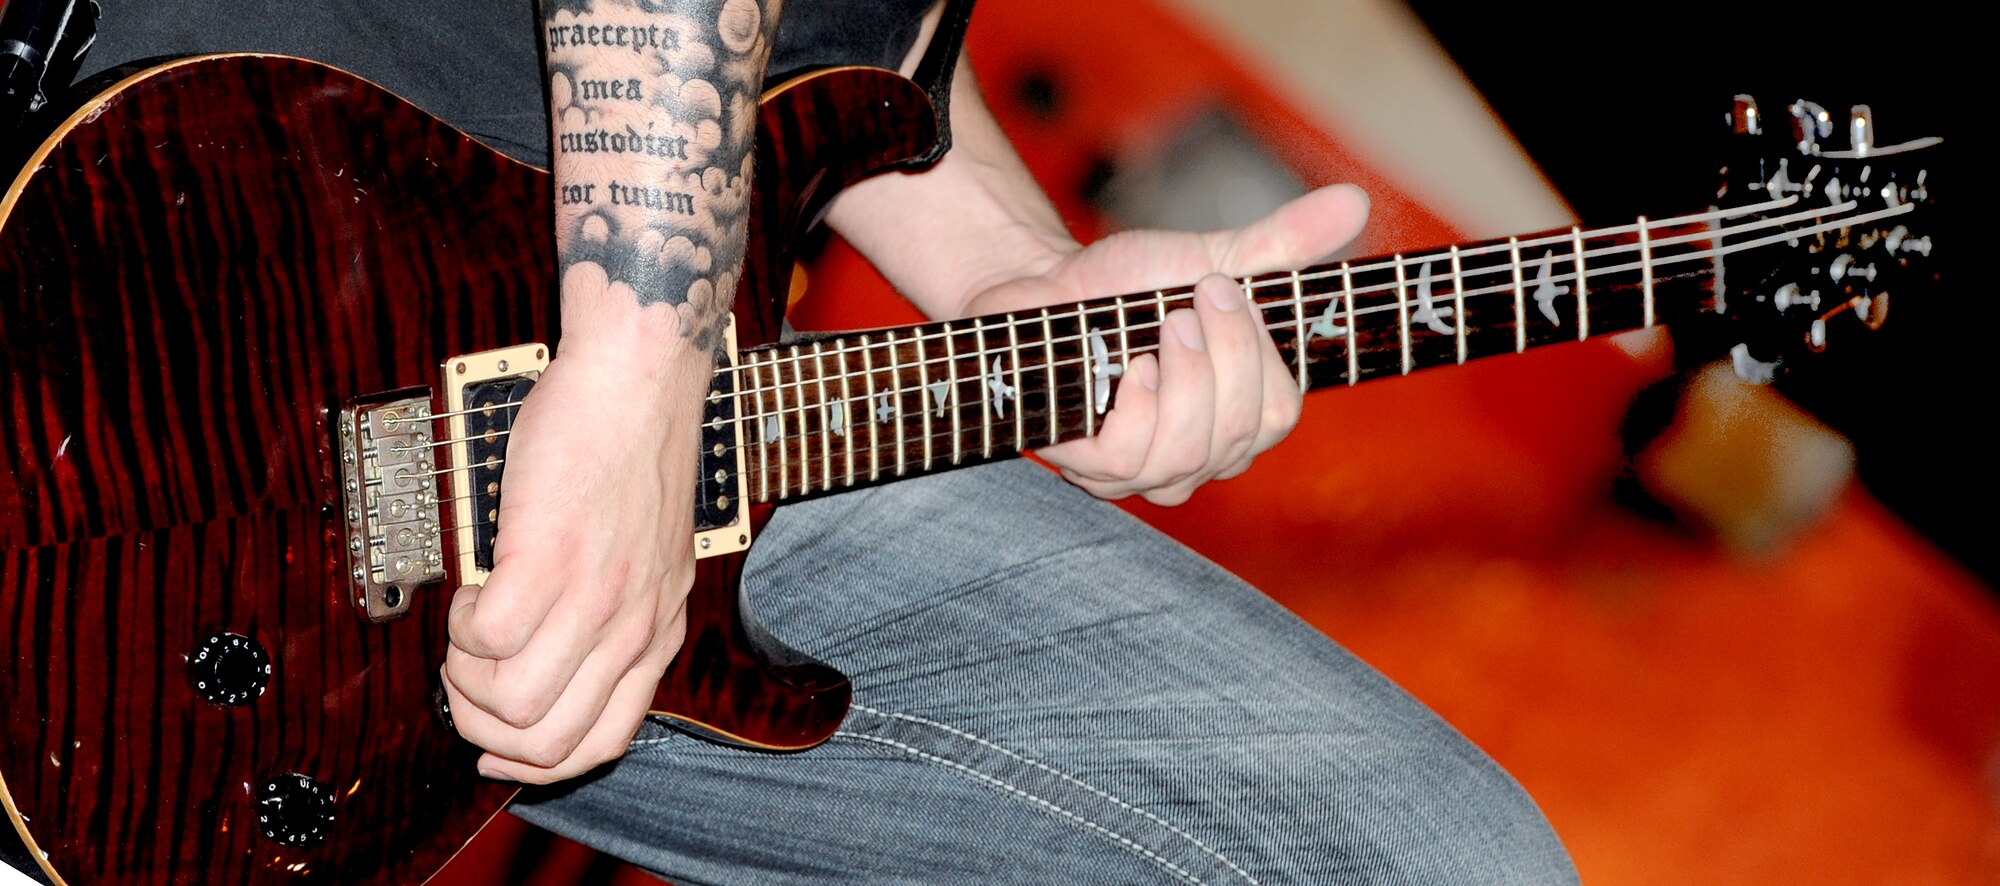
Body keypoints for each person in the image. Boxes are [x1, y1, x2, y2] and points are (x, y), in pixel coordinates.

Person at [85, 0, 1577, 880]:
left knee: (1435, 855)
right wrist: (634, 368)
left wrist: (1007, 266)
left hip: (633, 382)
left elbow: (835, 22)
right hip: (204, 269)